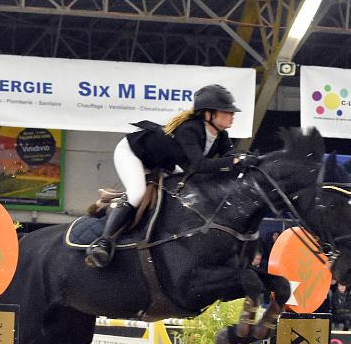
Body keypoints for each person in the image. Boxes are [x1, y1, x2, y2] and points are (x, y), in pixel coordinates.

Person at [85, 84, 254, 268]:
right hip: (133, 153)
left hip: (162, 163)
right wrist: (235, 161)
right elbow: (200, 165)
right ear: (209, 114)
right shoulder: (190, 129)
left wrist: (248, 158)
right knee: (137, 192)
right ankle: (103, 242)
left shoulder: (221, 136)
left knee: (186, 191)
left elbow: (229, 156)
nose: (232, 115)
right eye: (227, 111)